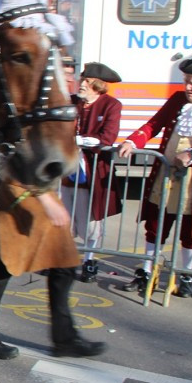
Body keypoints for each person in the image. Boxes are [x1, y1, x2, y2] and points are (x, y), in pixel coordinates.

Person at [0, 181, 107, 360]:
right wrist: (45, 198)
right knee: (5, 263)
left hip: (35, 193)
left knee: (63, 264)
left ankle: (64, 338)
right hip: (24, 193)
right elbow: (26, 160)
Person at [117, 52, 192, 297]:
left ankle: (186, 276)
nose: (188, 87)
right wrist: (132, 141)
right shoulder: (177, 100)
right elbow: (153, 124)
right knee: (156, 225)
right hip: (166, 174)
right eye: (186, 81)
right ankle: (147, 272)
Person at [61, 62, 123, 282]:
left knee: (90, 222)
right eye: (82, 80)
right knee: (64, 218)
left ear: (98, 85)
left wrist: (81, 140)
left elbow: (108, 138)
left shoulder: (111, 105)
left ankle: (89, 261)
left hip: (93, 172)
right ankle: (62, 261)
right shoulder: (72, 102)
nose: (82, 84)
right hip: (67, 171)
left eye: (86, 81)